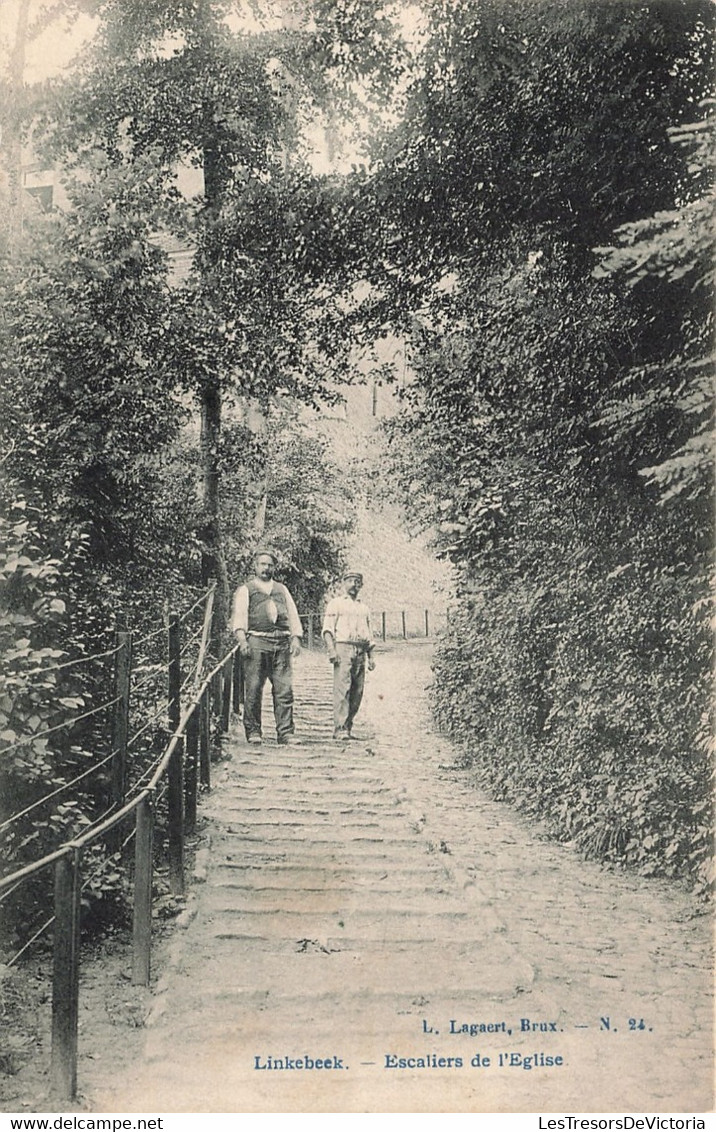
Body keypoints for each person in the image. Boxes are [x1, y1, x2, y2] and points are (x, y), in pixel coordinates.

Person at [230, 550, 302, 745]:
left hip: (281, 643)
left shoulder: (281, 589)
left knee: (284, 689)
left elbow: (293, 615)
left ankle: (285, 732)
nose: (266, 568)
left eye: (269, 565)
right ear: (255, 566)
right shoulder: (247, 590)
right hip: (257, 642)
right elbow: (239, 618)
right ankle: (253, 731)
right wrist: (243, 641)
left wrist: (295, 638)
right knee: (253, 688)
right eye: (262, 564)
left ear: (274, 567)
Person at [322, 570, 375, 741]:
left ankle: (348, 726)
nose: (354, 585)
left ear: (361, 585)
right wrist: (331, 650)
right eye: (350, 581)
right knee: (342, 688)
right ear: (344, 583)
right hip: (343, 648)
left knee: (357, 691)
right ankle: (340, 728)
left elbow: (369, 635)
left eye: (357, 582)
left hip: (360, 650)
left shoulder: (364, 608)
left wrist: (371, 656)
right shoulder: (336, 604)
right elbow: (328, 629)